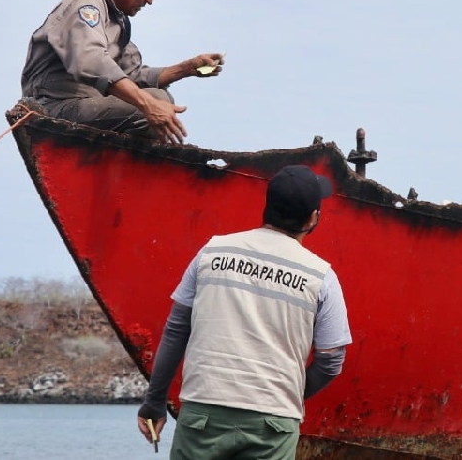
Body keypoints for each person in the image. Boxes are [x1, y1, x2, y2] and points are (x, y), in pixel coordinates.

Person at [136, 165, 351, 460]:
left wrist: (154, 402)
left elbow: (176, 330)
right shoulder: (321, 276)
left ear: (267, 207)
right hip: (272, 425)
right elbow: (330, 360)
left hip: (203, 414)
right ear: (314, 218)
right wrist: (284, 392)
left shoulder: (212, 252)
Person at [20, 0, 223, 144]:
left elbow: (132, 75)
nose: (150, 0)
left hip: (86, 106)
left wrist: (186, 68)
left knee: (160, 98)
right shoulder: (86, 4)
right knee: (156, 101)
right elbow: (91, 60)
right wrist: (147, 105)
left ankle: (124, 165)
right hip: (54, 106)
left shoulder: (118, 20)